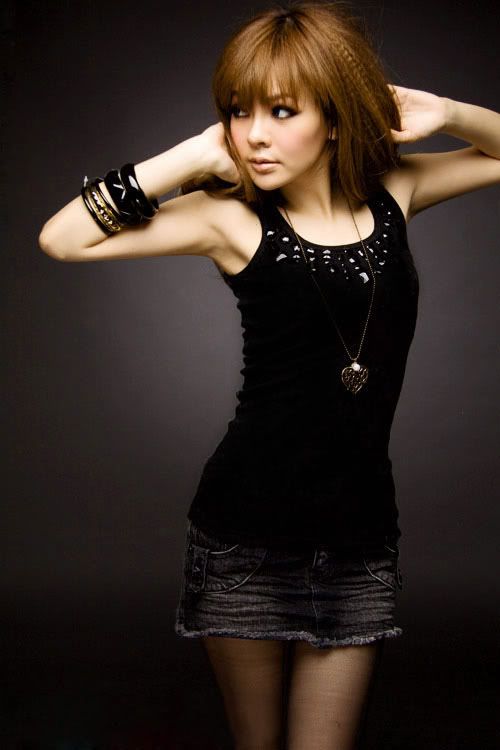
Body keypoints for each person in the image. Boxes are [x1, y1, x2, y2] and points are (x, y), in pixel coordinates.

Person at [38, 2, 500, 748]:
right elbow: (62, 238)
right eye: (238, 112)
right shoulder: (230, 219)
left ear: (335, 119)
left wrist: (446, 112)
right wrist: (191, 156)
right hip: (245, 538)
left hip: (359, 540)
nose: (253, 134)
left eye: (282, 111)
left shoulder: (397, 193)